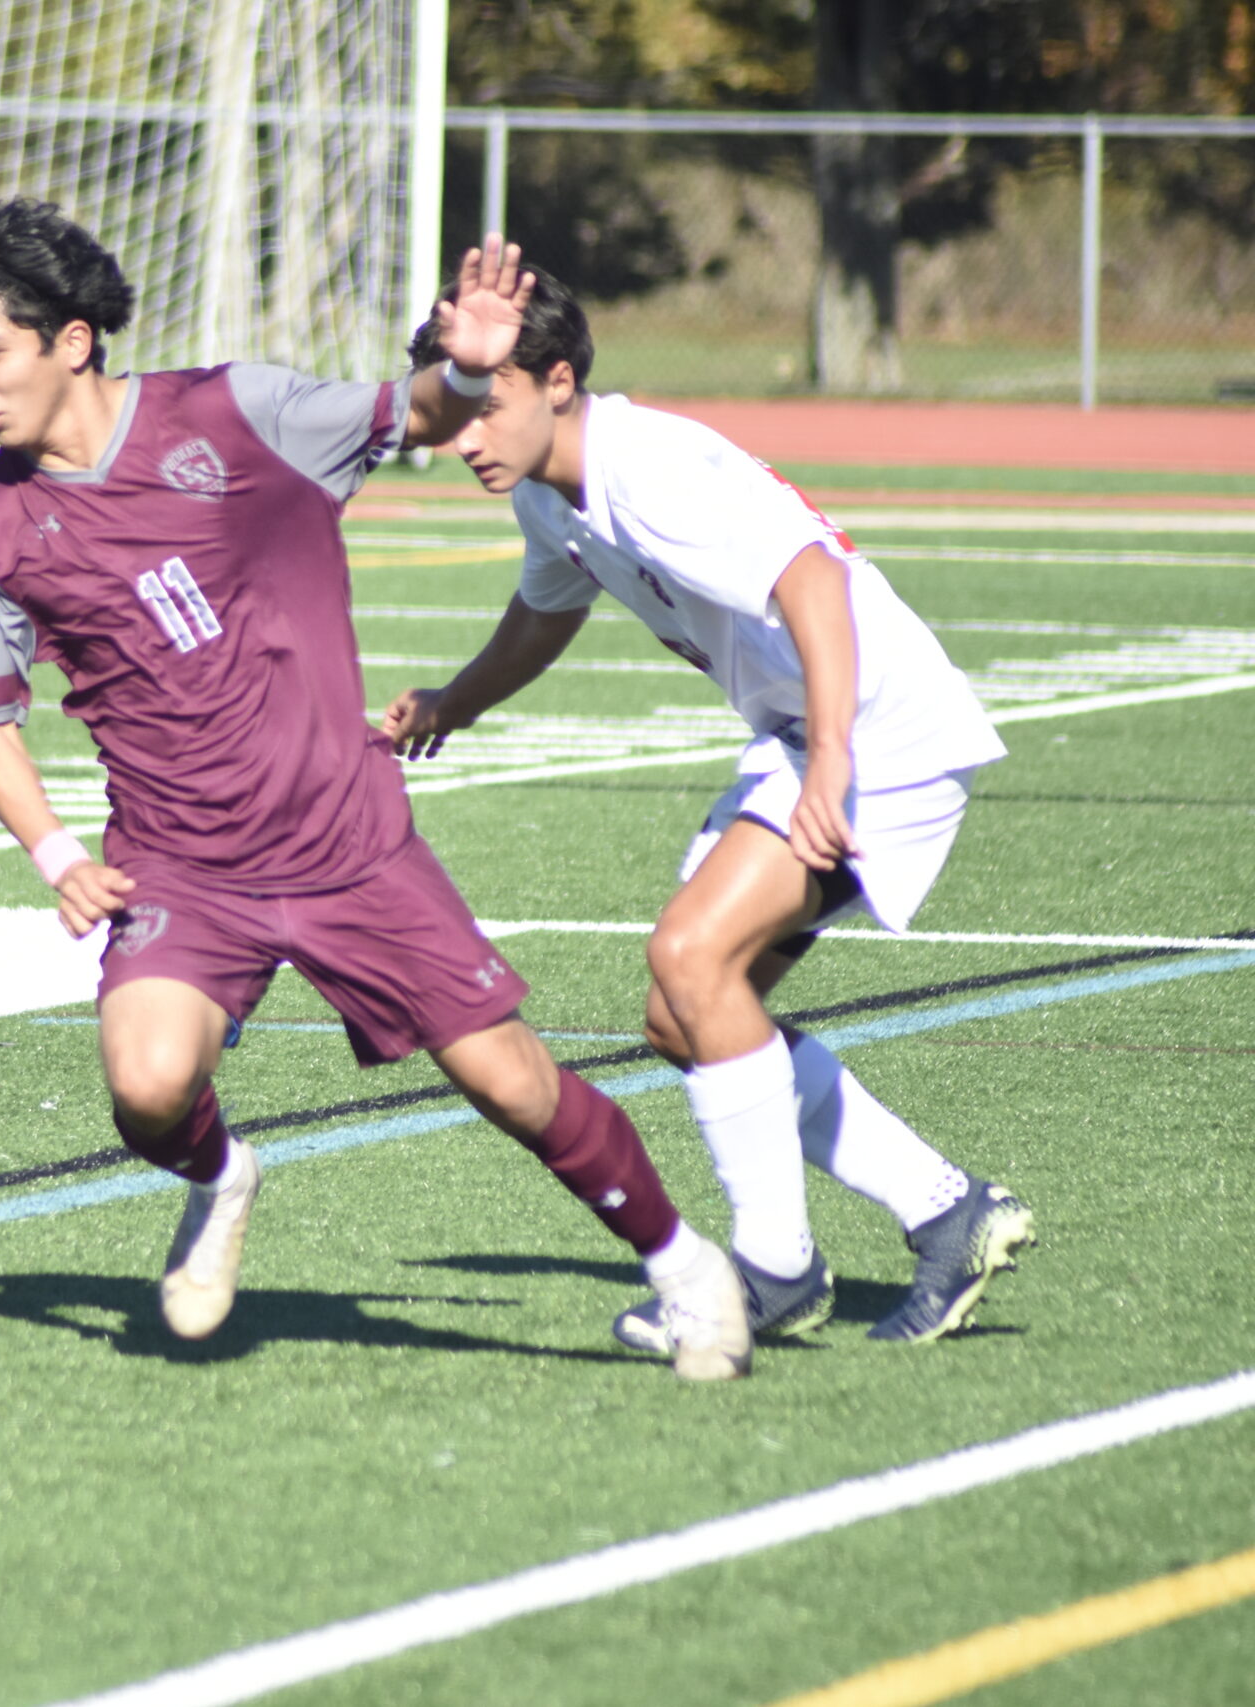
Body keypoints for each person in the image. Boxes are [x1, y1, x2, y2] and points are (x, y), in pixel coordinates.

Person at [0, 197, 753, 1381]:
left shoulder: (238, 414)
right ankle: (222, 1179)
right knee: (147, 1088)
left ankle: (685, 1267)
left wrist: (468, 371)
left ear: (71, 341)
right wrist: (59, 856)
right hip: (179, 867)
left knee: (511, 1084)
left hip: (344, 843)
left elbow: (418, 416)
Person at [383, 265, 1035, 1354]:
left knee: (690, 956)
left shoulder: (651, 468)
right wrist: (455, 699)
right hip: (812, 734)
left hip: (878, 732)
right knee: (681, 1014)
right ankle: (944, 1209)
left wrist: (829, 764)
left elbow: (812, 578)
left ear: (554, 381)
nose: (461, 435)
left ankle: (776, 1270)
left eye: (482, 405)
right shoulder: (553, 490)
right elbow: (546, 611)